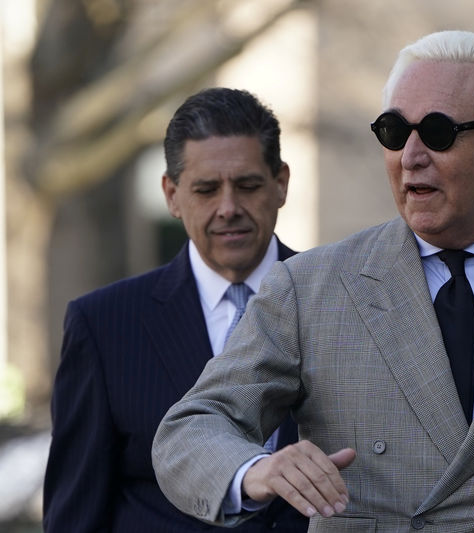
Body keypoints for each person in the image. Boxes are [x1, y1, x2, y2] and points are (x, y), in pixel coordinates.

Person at [153, 31, 474, 532]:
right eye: (392, 131)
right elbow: (194, 427)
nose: (410, 157)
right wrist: (254, 470)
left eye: (437, 132)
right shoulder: (311, 290)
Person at [43, 88, 308, 532]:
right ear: (171, 194)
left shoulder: (344, 303)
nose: (228, 208)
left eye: (247, 185)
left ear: (280, 183)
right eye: (206, 190)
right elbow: (75, 513)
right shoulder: (104, 325)